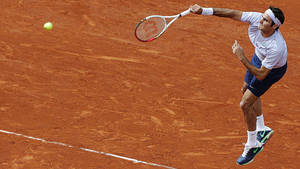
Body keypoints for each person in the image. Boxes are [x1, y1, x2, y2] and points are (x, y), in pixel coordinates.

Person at [190, 4, 287, 165]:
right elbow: (232, 13)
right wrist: (203, 11)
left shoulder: (276, 47)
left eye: (265, 21)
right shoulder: (257, 19)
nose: (260, 21)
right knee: (245, 90)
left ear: (274, 26)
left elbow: (262, 74)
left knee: (245, 104)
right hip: (258, 59)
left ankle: (253, 144)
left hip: (271, 71)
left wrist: (241, 57)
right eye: (262, 17)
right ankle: (262, 128)